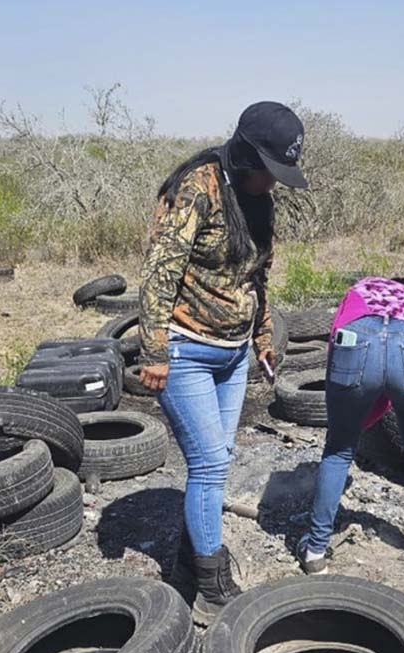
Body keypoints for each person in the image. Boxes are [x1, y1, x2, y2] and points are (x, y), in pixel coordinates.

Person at [137, 101, 307, 624]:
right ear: (244, 154)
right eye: (268, 171)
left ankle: (190, 566)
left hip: (233, 354)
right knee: (209, 464)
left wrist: (262, 336)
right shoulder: (198, 188)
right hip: (187, 348)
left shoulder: (260, 202)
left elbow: (257, 277)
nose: (272, 184)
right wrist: (154, 350)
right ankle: (211, 586)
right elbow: (160, 272)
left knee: (218, 459)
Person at [296, 276, 404, 574]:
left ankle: (315, 551)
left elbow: (335, 342)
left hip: (357, 339)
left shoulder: (362, 288)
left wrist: (356, 419)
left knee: (338, 449)